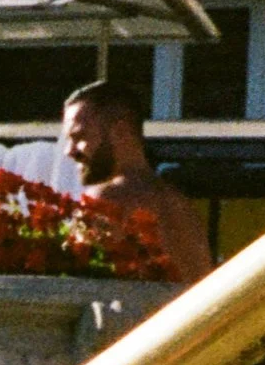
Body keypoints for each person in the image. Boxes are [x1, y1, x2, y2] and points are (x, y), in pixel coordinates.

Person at [57, 81, 215, 290]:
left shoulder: (106, 200)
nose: (69, 151)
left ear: (120, 131)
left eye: (79, 137)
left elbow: (69, 285)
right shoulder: (181, 205)